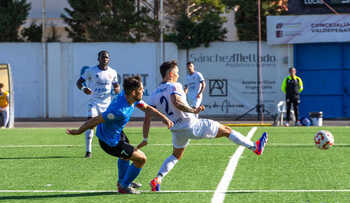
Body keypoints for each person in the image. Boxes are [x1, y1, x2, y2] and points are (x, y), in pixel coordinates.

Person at [137, 61, 268, 192]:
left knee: (176, 155)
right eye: (177, 73)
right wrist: (193, 110)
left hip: (176, 130)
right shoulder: (175, 85)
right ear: (171, 74)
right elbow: (175, 102)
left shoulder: (154, 94)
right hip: (191, 125)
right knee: (227, 130)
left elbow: (148, 115)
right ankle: (255, 147)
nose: (178, 75)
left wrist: (145, 137)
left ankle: (158, 179)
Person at [67, 76, 174, 194]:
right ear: (133, 92)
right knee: (141, 159)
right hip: (109, 142)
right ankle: (124, 186)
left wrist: (164, 118)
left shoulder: (130, 96)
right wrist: (79, 131)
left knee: (127, 156)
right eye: (141, 89)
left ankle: (123, 180)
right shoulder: (118, 111)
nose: (143, 91)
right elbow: (96, 120)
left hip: (117, 133)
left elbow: (147, 108)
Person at [76, 51, 120, 158]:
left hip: (107, 105)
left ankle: (115, 149)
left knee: (111, 127)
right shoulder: (91, 71)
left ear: (109, 59)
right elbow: (78, 82)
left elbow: (116, 86)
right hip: (94, 103)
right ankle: (88, 151)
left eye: (107, 57)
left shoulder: (113, 72)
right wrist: (84, 88)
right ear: (98, 59)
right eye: (103, 57)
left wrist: (117, 91)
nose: (105, 59)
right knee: (90, 123)